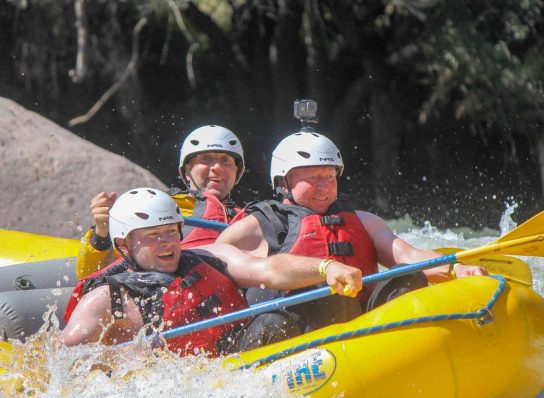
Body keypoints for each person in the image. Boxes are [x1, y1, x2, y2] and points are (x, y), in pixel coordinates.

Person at [216, 131, 488, 332]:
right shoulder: (255, 228)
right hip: (297, 331)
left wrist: (455, 269)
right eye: (312, 178)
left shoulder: (364, 221)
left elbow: (408, 254)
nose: (324, 186)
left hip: (364, 326)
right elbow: (219, 272)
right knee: (326, 300)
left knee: (409, 278)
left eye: (330, 177)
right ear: (283, 183)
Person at [62, 188, 362, 356]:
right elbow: (65, 355)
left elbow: (269, 269)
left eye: (171, 231)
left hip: (238, 354)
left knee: (322, 300)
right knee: (271, 324)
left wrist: (326, 267)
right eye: (153, 235)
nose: (167, 242)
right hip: (187, 386)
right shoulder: (107, 298)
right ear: (123, 244)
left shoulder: (209, 256)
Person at [76, 125, 247, 278]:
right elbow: (93, 276)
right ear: (187, 170)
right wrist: (102, 232)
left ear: (237, 171)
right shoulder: (156, 206)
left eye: (226, 160)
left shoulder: (251, 218)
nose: (217, 167)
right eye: (206, 159)